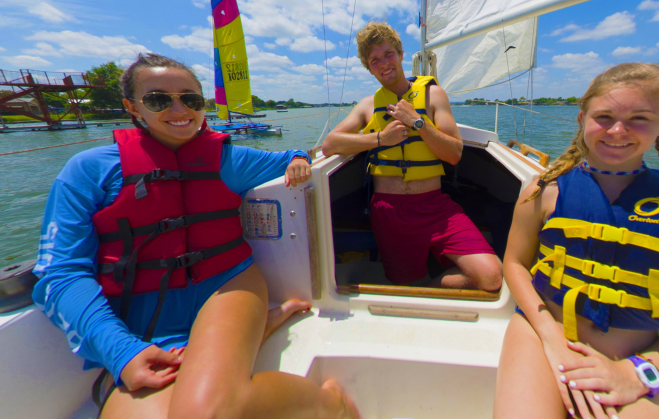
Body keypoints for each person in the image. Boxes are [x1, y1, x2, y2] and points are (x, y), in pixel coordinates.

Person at [33, 54, 359, 419]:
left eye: (190, 99)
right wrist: (121, 351)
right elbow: (60, 275)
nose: (179, 109)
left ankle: (331, 406)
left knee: (207, 413)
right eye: (159, 99)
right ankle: (245, 339)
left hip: (226, 287)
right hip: (139, 321)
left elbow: (295, 155)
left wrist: (299, 155)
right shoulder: (87, 171)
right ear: (133, 107)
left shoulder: (227, 160)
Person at [493, 63, 659, 419]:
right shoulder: (543, 194)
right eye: (604, 116)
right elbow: (514, 263)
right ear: (582, 117)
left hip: (631, 361)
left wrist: (635, 373)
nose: (618, 130)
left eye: (639, 118)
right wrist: (550, 336)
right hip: (542, 335)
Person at [321, 22, 502, 291]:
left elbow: (454, 154)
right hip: (389, 212)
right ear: (369, 68)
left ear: (401, 54)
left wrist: (417, 122)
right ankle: (419, 289)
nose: (384, 63)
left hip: (436, 208)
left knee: (491, 276)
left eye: (388, 54)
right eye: (374, 60)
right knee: (404, 285)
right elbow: (329, 144)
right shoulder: (367, 105)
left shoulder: (433, 95)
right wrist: (380, 138)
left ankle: (430, 288)